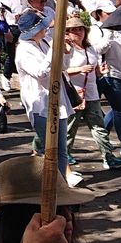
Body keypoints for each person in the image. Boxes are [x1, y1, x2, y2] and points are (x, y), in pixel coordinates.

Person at [13, 10, 73, 178]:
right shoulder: (23, 50)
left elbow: (62, 67)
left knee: (61, 149)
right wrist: (54, 50)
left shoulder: (44, 42)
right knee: (50, 149)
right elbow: (40, 72)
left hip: (57, 99)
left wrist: (67, 52)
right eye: (42, 27)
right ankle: (49, 184)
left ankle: (61, 184)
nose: (46, 29)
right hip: (40, 104)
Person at [62, 18, 121, 168]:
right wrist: (80, 69)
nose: (78, 32)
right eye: (74, 30)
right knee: (70, 128)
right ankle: (64, 156)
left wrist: (100, 71)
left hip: (91, 93)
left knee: (99, 127)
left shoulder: (90, 48)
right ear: (67, 33)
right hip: (74, 95)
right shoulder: (66, 49)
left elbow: (94, 70)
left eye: (80, 29)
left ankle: (108, 157)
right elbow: (62, 71)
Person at [87, 0, 121, 160]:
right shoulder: (96, 30)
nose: (112, 16)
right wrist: (109, 33)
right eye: (108, 13)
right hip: (110, 75)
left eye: (113, 13)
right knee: (120, 110)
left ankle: (102, 136)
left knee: (120, 108)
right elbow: (98, 49)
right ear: (99, 14)